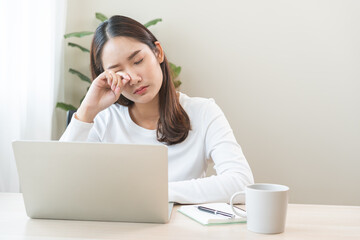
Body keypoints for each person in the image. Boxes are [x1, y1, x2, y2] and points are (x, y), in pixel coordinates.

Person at [60, 15, 254, 204]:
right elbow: (59, 183)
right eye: (118, 72)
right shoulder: (104, 120)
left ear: (157, 52)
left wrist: (155, 193)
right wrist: (87, 110)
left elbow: (241, 182)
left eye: (138, 61)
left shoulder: (203, 112)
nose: (133, 77)